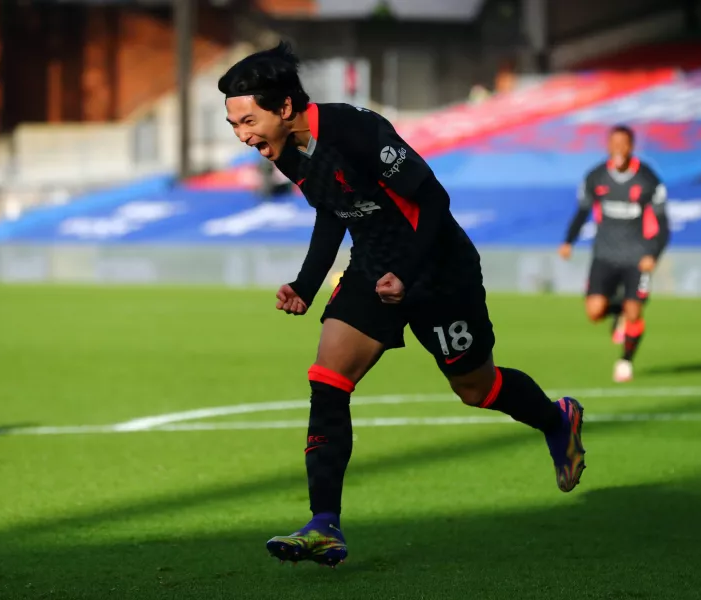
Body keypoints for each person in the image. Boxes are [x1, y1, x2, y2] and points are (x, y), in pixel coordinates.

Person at [219, 41, 586, 567]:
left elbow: (433, 200)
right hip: (373, 267)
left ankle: (556, 419)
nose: (243, 135)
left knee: (476, 389)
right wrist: (305, 282)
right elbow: (333, 210)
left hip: (437, 270)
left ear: (283, 108)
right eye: (234, 125)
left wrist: (407, 273)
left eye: (247, 121)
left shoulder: (356, 131)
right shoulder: (289, 152)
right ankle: (324, 524)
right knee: (327, 381)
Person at [559, 125, 670, 383]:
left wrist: (653, 253)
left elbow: (664, 224)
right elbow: (582, 211)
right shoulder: (596, 177)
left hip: (637, 257)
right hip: (605, 255)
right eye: (614, 143)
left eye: (624, 143)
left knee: (635, 312)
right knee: (594, 311)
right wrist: (568, 241)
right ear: (608, 146)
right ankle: (616, 311)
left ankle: (625, 361)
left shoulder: (648, 180)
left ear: (631, 147)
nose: (619, 148)